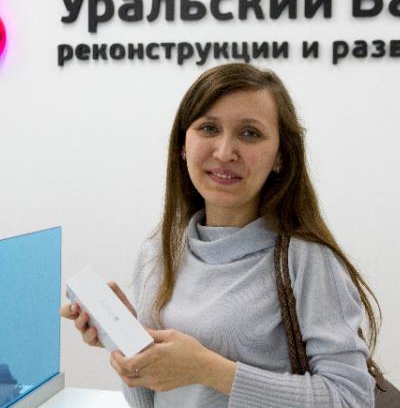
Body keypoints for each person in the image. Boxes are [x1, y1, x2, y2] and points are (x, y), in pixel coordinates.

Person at [61, 63, 381, 407]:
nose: (225, 152)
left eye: (250, 133)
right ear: (183, 145)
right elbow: (152, 400)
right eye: (209, 128)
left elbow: (351, 398)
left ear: (280, 156)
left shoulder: (307, 259)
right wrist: (130, 343)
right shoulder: (158, 252)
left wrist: (208, 369)